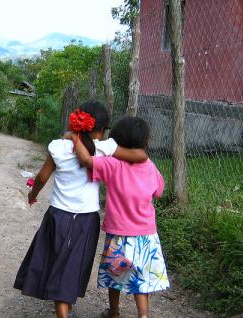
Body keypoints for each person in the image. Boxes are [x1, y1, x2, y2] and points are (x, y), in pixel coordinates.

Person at [14, 101, 148, 318]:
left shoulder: (58, 146)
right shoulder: (104, 148)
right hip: (85, 220)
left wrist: (32, 195)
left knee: (55, 259)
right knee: (72, 265)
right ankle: (64, 309)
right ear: (101, 129)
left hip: (56, 215)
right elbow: (140, 156)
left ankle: (63, 306)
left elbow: (41, 178)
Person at [70, 116, 169, 318]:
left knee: (115, 276)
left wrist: (74, 138)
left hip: (119, 236)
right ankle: (143, 315)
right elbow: (159, 190)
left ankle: (114, 312)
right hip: (146, 236)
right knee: (141, 280)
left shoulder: (112, 165)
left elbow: (86, 160)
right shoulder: (150, 166)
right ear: (144, 142)